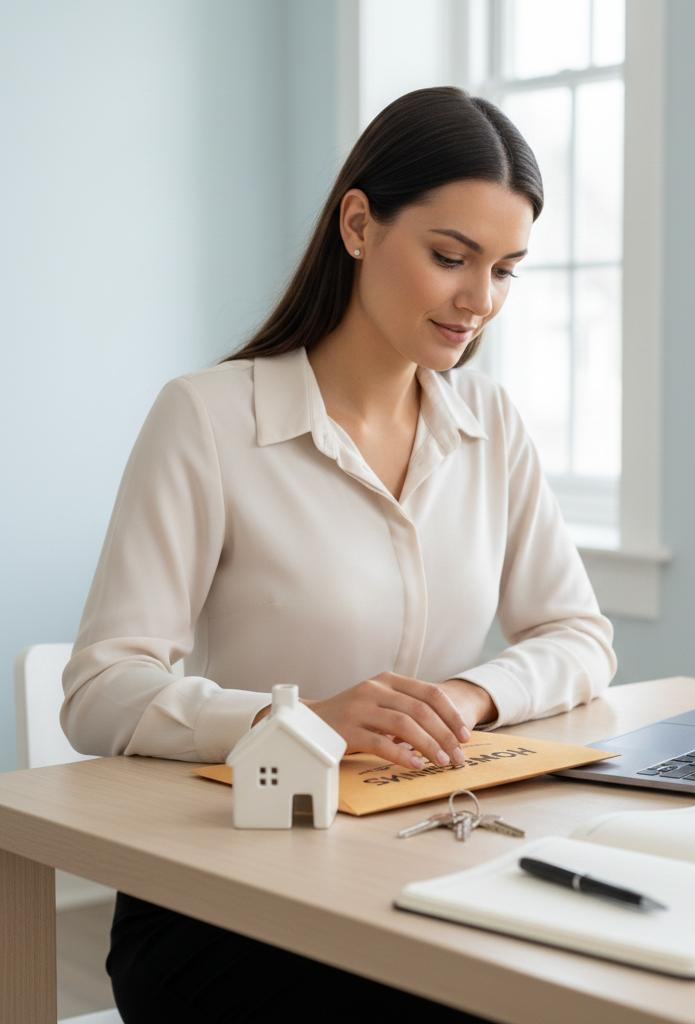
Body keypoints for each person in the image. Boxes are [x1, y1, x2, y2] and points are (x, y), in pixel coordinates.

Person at [61, 87, 616, 1022]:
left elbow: (578, 633)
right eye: (451, 257)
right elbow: (99, 689)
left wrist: (471, 697)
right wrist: (304, 720)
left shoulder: (490, 423)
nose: (480, 301)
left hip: (419, 862)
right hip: (225, 898)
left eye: (507, 270)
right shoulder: (207, 418)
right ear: (358, 224)